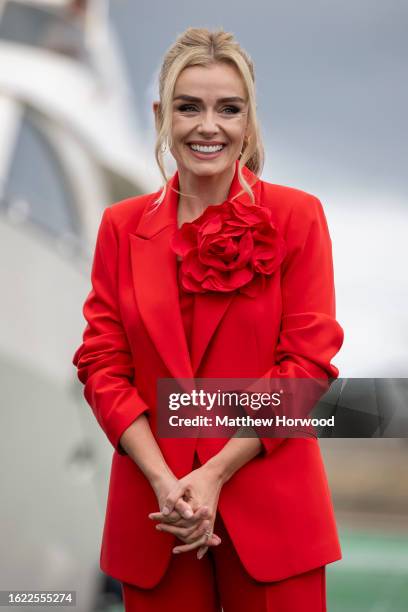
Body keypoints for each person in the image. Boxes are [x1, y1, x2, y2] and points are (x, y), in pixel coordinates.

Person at [72, 26, 344, 612]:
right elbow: (101, 365)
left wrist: (216, 471)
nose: (208, 126)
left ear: (249, 120)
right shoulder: (121, 227)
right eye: (188, 107)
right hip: (157, 515)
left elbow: (308, 364)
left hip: (275, 516)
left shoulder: (299, 217)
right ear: (161, 115)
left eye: (228, 108)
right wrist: (166, 482)